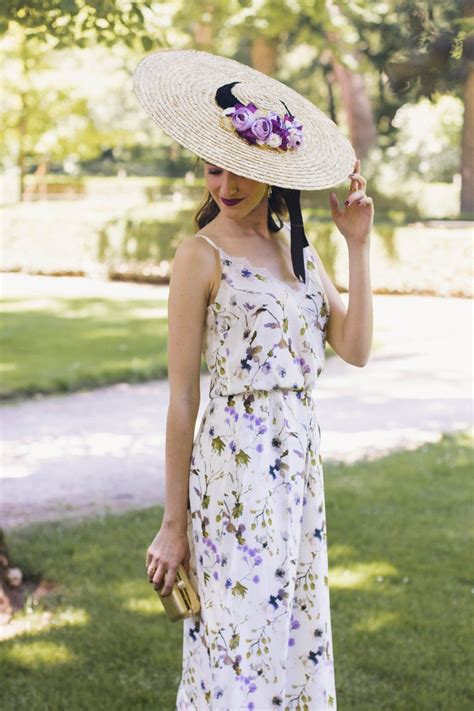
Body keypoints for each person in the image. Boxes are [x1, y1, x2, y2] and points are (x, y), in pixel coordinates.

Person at [134, 49, 373, 710]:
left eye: (241, 169)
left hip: (297, 466)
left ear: (273, 168)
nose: (226, 185)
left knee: (292, 633)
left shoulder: (299, 251)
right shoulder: (199, 255)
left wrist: (357, 243)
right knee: (235, 642)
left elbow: (353, 347)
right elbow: (183, 398)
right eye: (214, 168)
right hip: (234, 473)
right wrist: (172, 522)